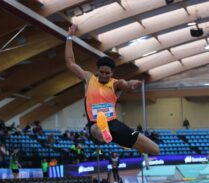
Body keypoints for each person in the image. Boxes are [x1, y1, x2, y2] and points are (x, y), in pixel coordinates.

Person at [65, 24, 159, 155]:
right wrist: (69, 37)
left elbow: (126, 83)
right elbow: (70, 62)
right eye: (101, 72)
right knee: (100, 131)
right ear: (97, 70)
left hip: (114, 124)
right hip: (95, 125)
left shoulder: (115, 84)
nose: (104, 75)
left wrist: (134, 83)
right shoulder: (89, 78)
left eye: (107, 73)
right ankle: (108, 135)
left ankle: (126, 142)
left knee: (155, 150)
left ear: (112, 72)